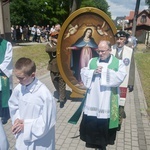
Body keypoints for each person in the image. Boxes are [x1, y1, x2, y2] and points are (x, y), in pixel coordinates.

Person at [79, 40, 126, 150]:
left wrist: (104, 72)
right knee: (92, 119)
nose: (100, 53)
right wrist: (93, 72)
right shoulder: (92, 61)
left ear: (110, 50)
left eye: (103, 51)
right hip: (93, 98)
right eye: (98, 51)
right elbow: (83, 72)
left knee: (104, 119)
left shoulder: (118, 63)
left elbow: (120, 77)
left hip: (108, 97)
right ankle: (91, 141)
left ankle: (104, 142)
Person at [8, 57, 56, 150]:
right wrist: (17, 119)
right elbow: (13, 105)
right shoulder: (19, 88)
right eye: (17, 77)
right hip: (23, 134)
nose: (18, 81)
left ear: (32, 75)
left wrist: (26, 125)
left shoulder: (44, 95)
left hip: (40, 140)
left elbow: (46, 122)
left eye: (21, 78)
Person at [111, 30, 135, 130]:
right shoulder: (111, 49)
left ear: (125, 40)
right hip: (112, 81)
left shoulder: (129, 51)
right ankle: (112, 119)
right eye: (117, 39)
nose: (119, 41)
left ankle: (118, 122)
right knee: (112, 101)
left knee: (121, 102)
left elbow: (132, 67)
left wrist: (131, 83)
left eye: (121, 39)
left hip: (123, 82)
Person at [45, 24, 66, 108]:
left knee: (62, 83)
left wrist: (59, 44)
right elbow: (48, 50)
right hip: (53, 67)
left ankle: (62, 99)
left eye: (57, 36)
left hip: (61, 66)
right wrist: (58, 46)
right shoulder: (49, 45)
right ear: (51, 37)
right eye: (54, 36)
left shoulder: (62, 44)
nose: (56, 38)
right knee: (55, 82)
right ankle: (60, 94)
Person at [0, 37, 13, 124]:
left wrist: (0, 68)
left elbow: (8, 58)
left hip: (3, 73)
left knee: (4, 94)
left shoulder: (7, 44)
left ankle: (5, 115)